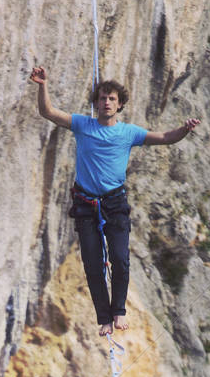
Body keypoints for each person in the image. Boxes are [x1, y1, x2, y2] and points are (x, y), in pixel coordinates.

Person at [29, 65, 199, 336]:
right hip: (86, 204)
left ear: (119, 105)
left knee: (120, 258)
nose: (106, 102)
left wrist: (185, 129)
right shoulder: (82, 125)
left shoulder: (128, 133)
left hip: (114, 203)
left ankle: (118, 310)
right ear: (95, 103)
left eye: (111, 99)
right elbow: (48, 112)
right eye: (102, 98)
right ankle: (104, 318)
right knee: (93, 263)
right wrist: (42, 85)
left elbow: (166, 138)